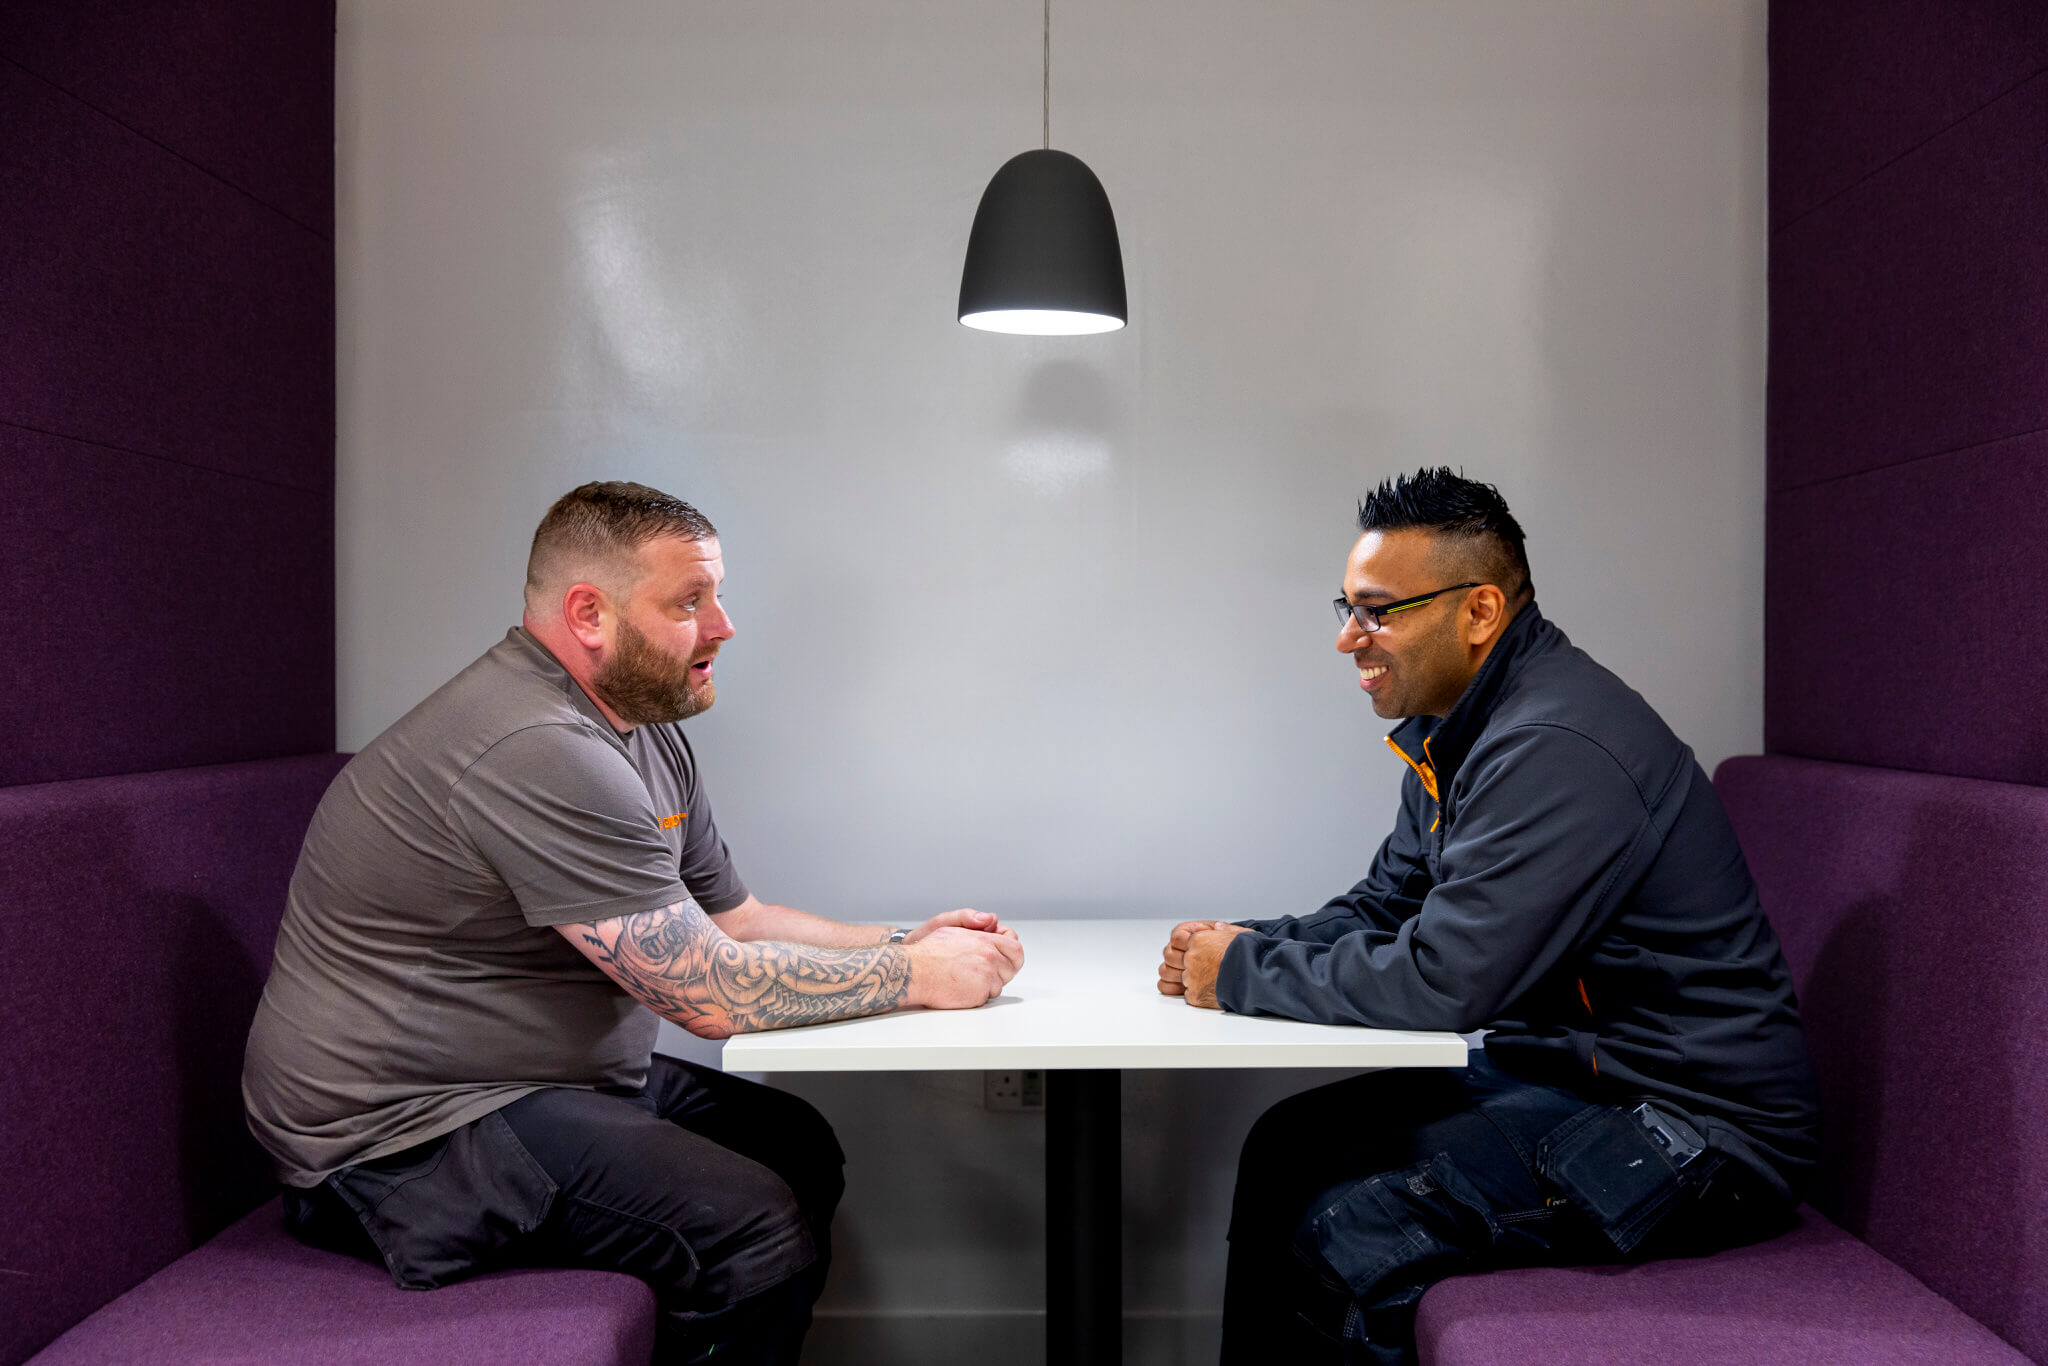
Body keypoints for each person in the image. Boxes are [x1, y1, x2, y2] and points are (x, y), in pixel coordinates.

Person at [244, 480, 1023, 1365]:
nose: (723, 626)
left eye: (717, 596)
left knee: (793, 1144)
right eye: (690, 602)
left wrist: (901, 945)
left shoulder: (640, 728)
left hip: (535, 1082)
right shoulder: (536, 746)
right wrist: (922, 979)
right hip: (397, 1139)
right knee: (750, 1230)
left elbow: (737, 918)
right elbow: (710, 996)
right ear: (590, 614)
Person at [1155, 468, 1818, 1365]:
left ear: (1479, 611)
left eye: (1379, 611)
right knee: (1285, 1145)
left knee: (1351, 1232)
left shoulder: (1554, 748)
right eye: (1346, 607)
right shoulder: (1459, 727)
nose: (1350, 638)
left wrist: (1236, 975)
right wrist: (1246, 942)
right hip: (1572, 1079)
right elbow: (1390, 905)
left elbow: (1444, 980)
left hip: (1696, 1136)